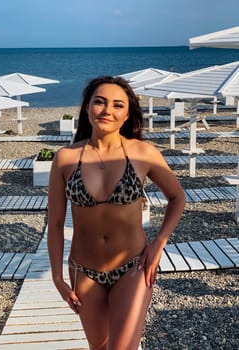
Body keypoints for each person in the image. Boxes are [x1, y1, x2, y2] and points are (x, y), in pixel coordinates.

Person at [47, 76, 186, 350]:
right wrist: (56, 277)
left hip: (133, 267)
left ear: (126, 114)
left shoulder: (143, 153)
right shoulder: (65, 158)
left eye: (117, 105)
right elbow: (55, 222)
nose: (107, 110)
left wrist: (158, 244)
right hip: (84, 271)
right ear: (87, 108)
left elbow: (177, 197)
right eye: (99, 102)